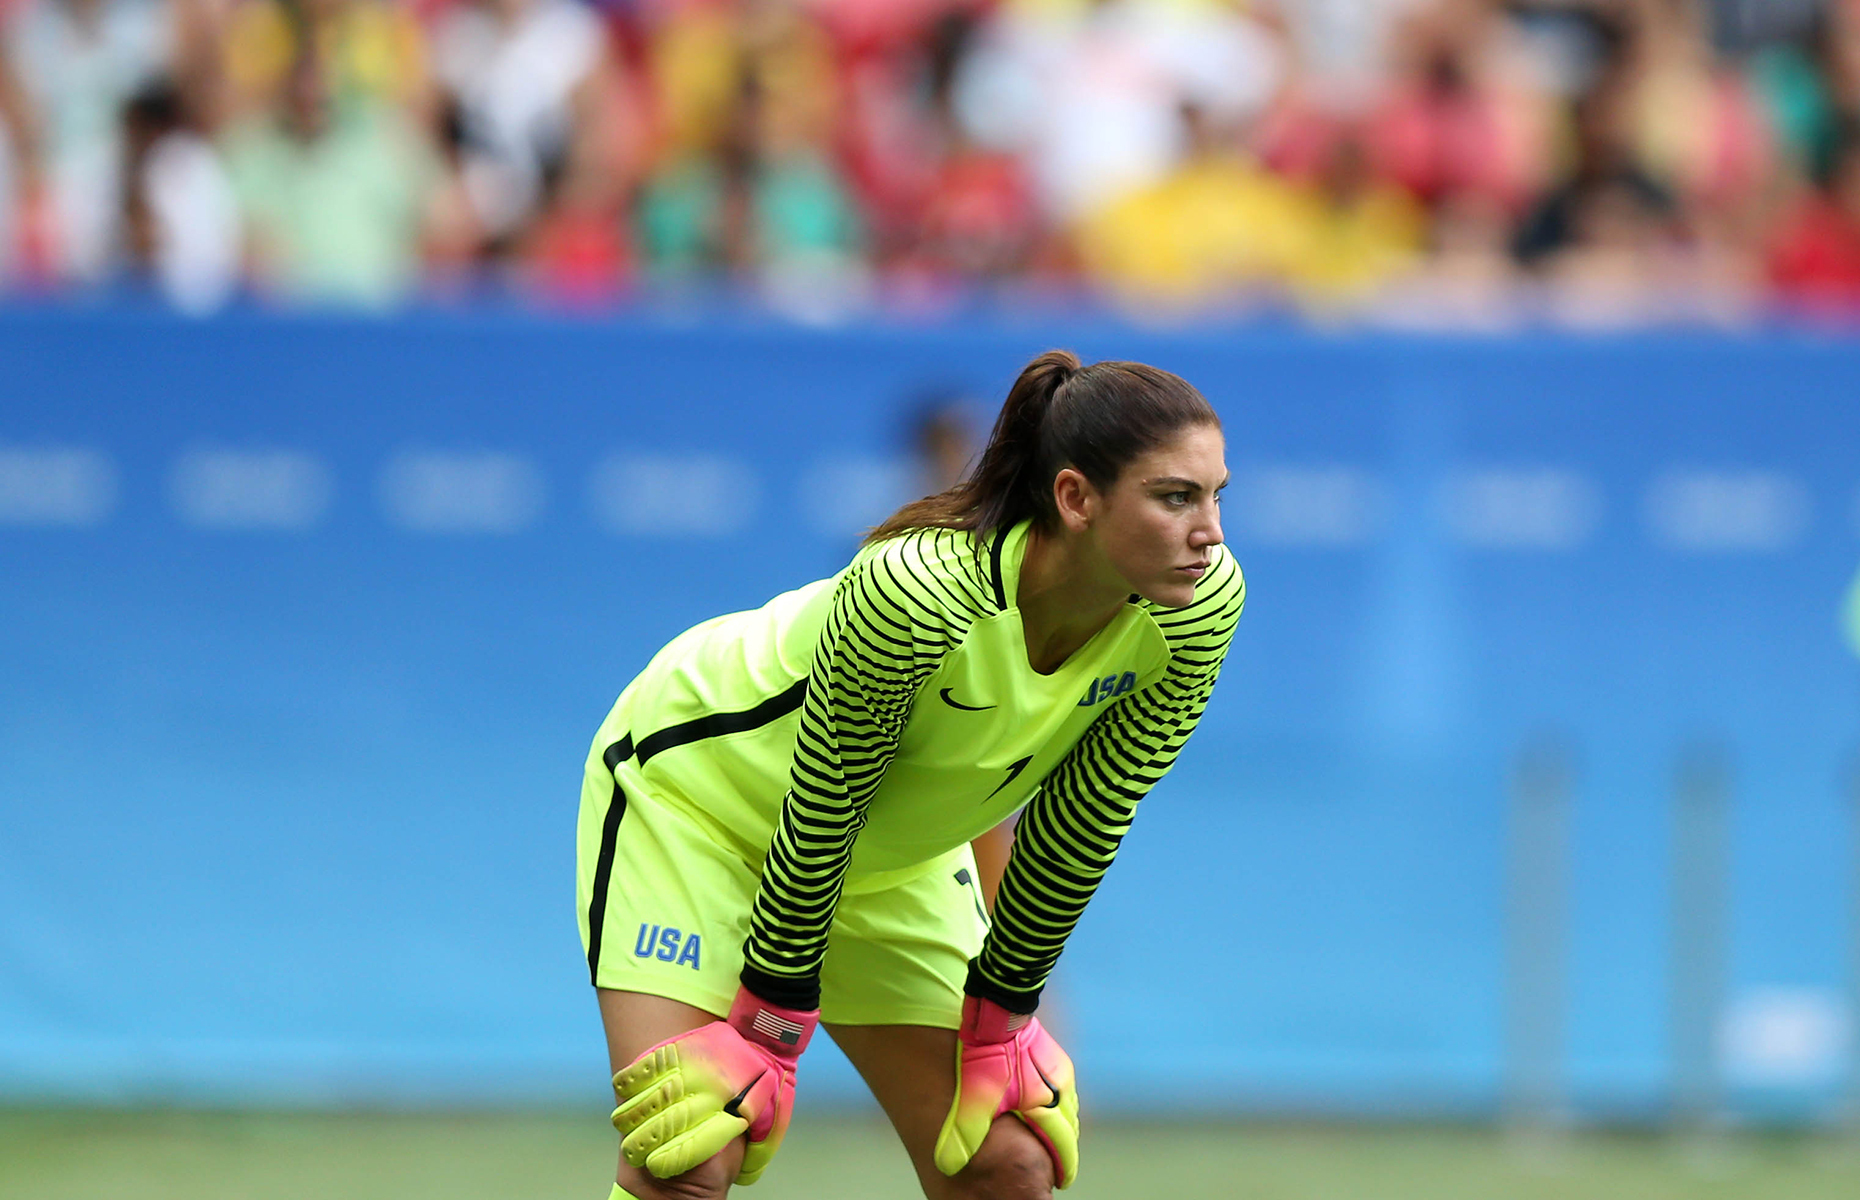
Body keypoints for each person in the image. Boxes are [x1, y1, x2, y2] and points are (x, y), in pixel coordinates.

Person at [576, 350, 1245, 1200]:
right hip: (697, 803)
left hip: (888, 856)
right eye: (1175, 496)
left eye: (1218, 494)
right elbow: (827, 798)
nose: (1211, 531)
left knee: (1008, 1164)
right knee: (688, 1152)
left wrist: (1003, 1015)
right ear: (1076, 498)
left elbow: (1084, 819)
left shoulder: (1202, 606)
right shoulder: (920, 590)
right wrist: (771, 1027)